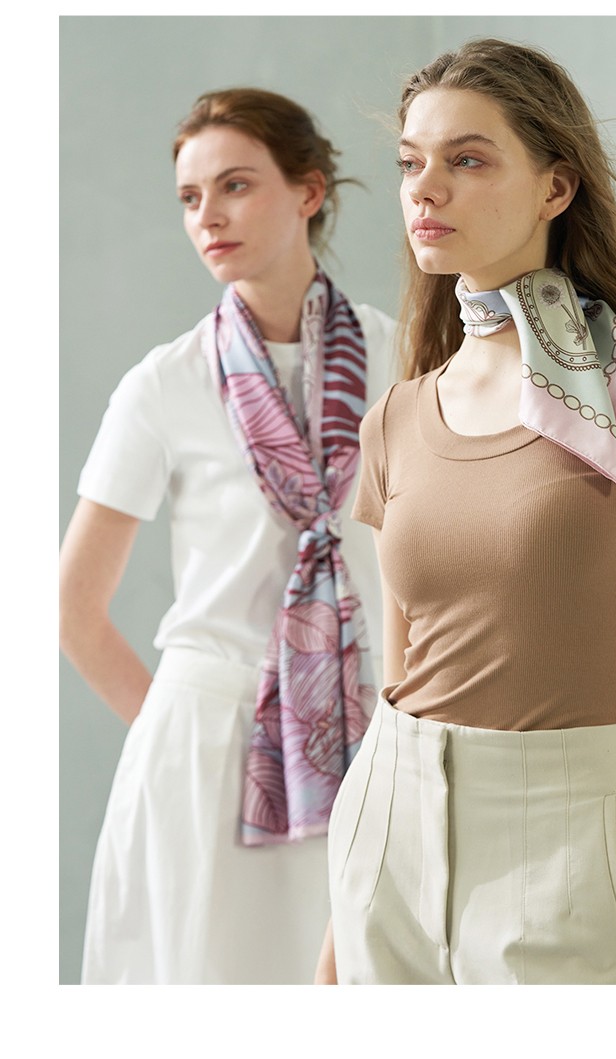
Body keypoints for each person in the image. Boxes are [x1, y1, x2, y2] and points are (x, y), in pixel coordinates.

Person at [316, 38, 616, 985]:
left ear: (556, 186)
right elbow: (397, 678)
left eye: (467, 160)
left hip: (570, 848)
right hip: (387, 840)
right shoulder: (398, 415)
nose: (426, 189)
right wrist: (336, 949)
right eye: (411, 163)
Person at [59, 87, 396, 984]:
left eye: (235, 185)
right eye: (189, 197)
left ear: (309, 191)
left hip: (364, 737)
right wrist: (182, 731)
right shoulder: (163, 383)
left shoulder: (402, 361)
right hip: (207, 747)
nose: (207, 215)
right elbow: (73, 608)